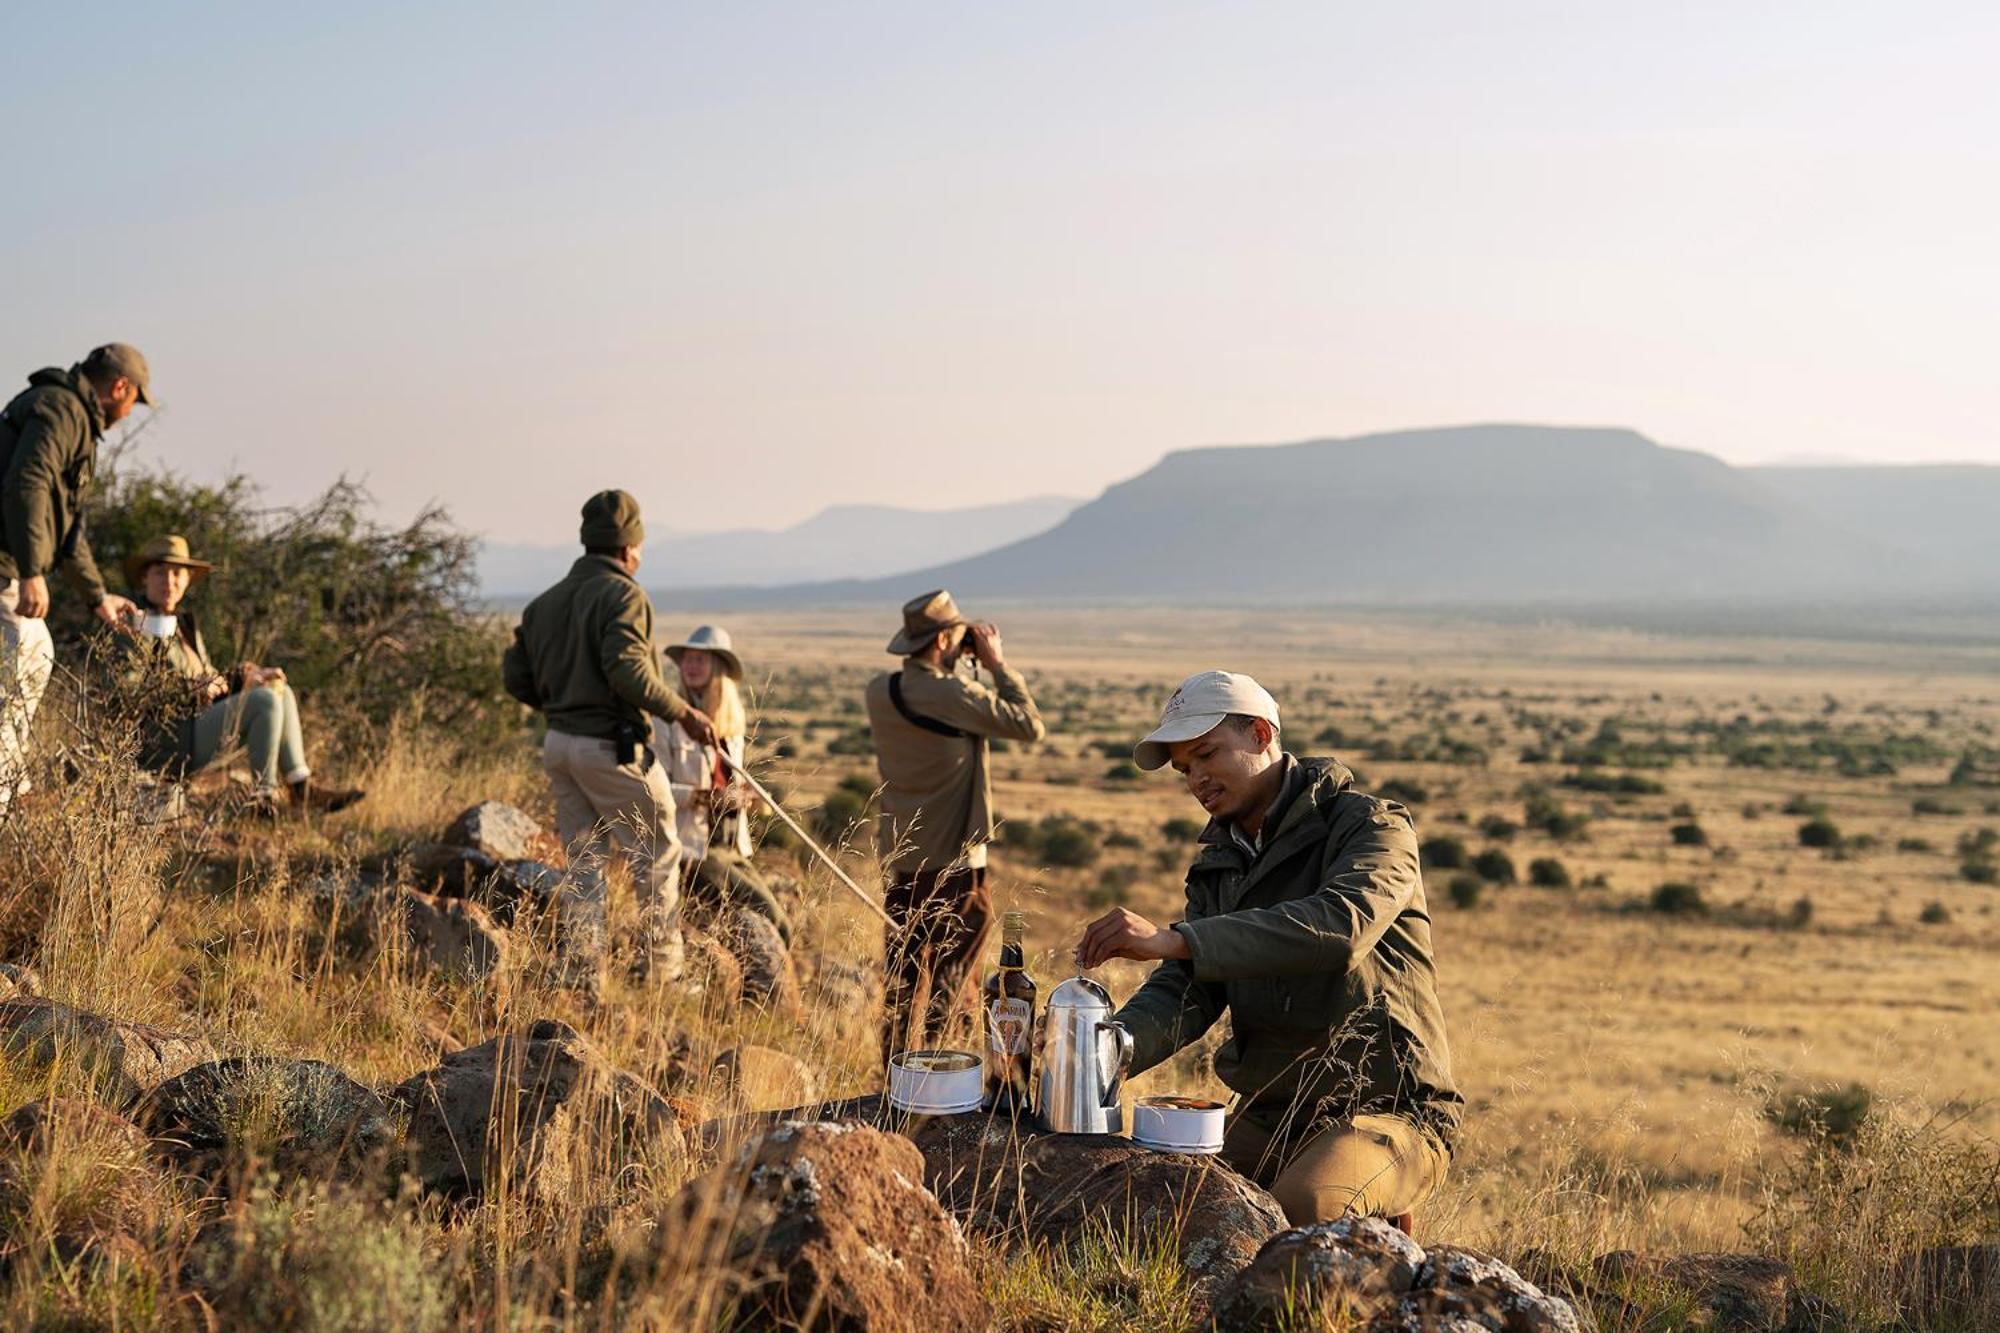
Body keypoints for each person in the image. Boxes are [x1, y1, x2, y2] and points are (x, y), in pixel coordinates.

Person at [1074, 670, 1461, 1230]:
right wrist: (1105, 1051)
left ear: (1260, 734)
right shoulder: (1219, 864)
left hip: (1388, 1112)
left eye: (1206, 755)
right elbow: (1189, 988)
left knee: (1307, 1206)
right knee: (1169, 1211)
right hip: (1271, 1112)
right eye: (1185, 769)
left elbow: (1340, 925)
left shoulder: (1372, 826)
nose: (1197, 780)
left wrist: (1175, 938)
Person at [502, 490, 716, 993]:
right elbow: (627, 672)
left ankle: (581, 975)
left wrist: (562, 703)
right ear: (628, 548)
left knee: (584, 863)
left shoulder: (544, 603)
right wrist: (684, 713)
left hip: (559, 743)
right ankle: (664, 975)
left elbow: (516, 676)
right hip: (612, 747)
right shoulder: (625, 596)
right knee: (659, 855)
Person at [865, 589, 1044, 1060]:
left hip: (904, 861)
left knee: (904, 985)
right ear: (944, 639)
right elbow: (1029, 725)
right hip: (954, 865)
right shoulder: (952, 693)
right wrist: (996, 664)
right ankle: (946, 1082)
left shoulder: (880, 692)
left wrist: (961, 665)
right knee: (953, 986)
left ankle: (895, 1080)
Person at [1, 344, 151, 815]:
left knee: (36, 652)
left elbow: (68, 531)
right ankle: (5, 797)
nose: (129, 413)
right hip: (6, 565)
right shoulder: (62, 408)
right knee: (19, 653)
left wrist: (97, 597)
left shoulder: (72, 416)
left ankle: (11, 788)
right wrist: (30, 571)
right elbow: (27, 483)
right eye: (134, 402)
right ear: (120, 388)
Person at [121, 535, 365, 813]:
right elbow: (128, 690)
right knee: (264, 702)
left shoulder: (184, 625)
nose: (169, 581)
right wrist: (187, 688)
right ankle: (263, 800)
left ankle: (301, 788)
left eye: (177, 573)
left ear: (187, 580)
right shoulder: (134, 625)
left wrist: (246, 676)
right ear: (144, 579)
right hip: (166, 741)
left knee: (278, 691)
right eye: (160, 572)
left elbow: (211, 679)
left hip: (193, 727)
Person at [655, 625, 791, 942]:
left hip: (733, 848)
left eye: (700, 660)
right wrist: (706, 798)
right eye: (687, 659)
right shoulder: (665, 721)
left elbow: (734, 780)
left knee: (776, 920)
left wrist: (754, 798)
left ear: (717, 669)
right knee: (771, 919)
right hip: (694, 851)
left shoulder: (731, 726)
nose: (690, 666)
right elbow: (655, 790)